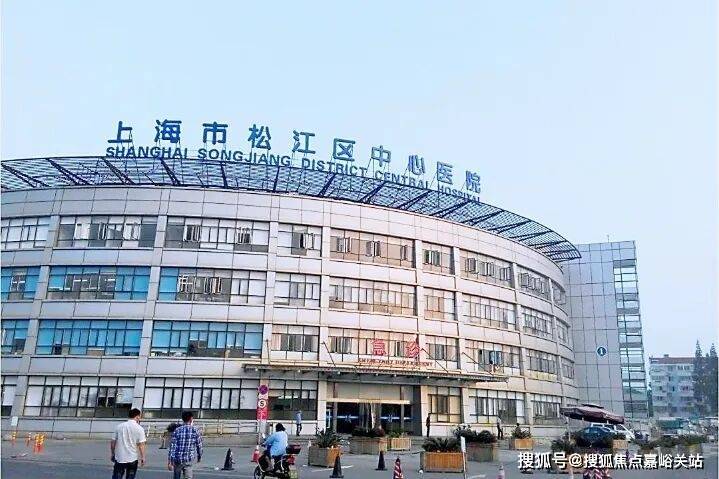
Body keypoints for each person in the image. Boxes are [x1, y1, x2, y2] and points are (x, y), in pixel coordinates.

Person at [110, 408, 147, 479]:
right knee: (130, 476)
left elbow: (113, 442)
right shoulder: (140, 429)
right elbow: (141, 445)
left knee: (117, 476)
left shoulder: (119, 426)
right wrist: (143, 457)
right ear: (137, 416)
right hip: (132, 458)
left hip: (120, 457)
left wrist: (112, 453)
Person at [167, 411, 203, 479]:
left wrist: (170, 461)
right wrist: (199, 456)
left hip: (177, 459)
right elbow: (199, 445)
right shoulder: (195, 430)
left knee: (176, 476)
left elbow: (172, 447)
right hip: (188, 459)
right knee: (188, 477)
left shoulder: (177, 430)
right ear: (191, 419)